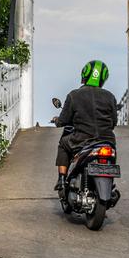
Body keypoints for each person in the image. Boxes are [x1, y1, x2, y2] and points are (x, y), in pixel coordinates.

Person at [53, 60, 117, 191]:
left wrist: (57, 120)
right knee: (112, 155)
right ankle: (109, 184)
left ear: (84, 75)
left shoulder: (74, 95)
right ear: (104, 78)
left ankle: (61, 179)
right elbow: (113, 122)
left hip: (81, 139)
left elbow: (63, 120)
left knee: (63, 144)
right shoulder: (110, 96)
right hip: (107, 140)